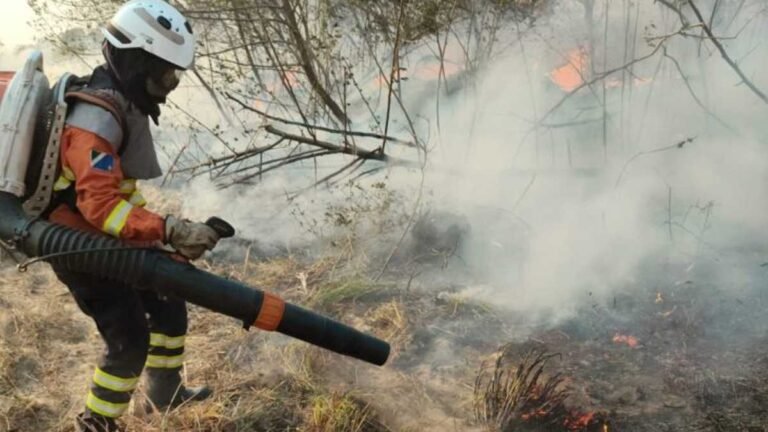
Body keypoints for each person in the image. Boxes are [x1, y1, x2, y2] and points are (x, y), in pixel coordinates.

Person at [45, 1, 220, 430]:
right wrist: (167, 228)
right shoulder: (94, 122)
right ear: (137, 59)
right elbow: (100, 206)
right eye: (165, 73)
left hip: (102, 238)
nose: (171, 84)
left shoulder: (119, 105)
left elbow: (119, 197)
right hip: (80, 250)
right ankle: (97, 422)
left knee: (167, 300)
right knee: (128, 343)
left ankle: (165, 394)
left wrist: (159, 238)